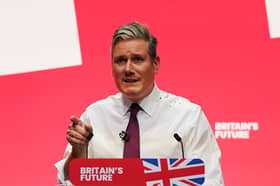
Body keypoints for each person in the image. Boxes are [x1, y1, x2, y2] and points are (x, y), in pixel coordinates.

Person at [55, 22, 224, 185]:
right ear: (112, 68)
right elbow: (67, 182)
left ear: (155, 64)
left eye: (137, 59)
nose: (128, 69)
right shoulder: (94, 116)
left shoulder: (188, 117)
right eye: (120, 60)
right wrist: (78, 153)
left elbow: (211, 181)